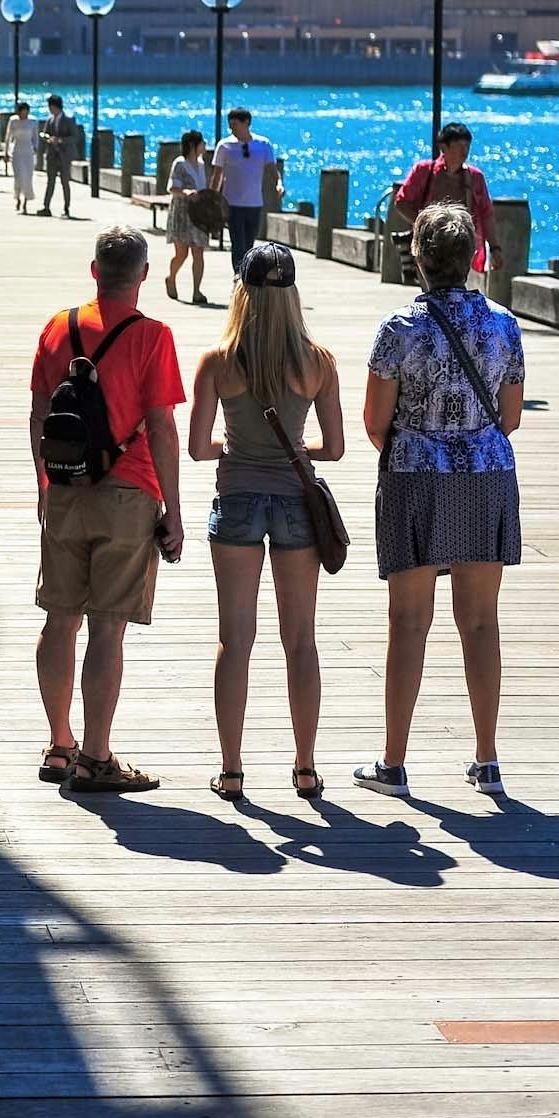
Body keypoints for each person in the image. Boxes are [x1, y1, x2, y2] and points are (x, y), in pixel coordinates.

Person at [356, 202, 525, 801]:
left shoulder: (397, 330)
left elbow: (376, 422)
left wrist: (420, 444)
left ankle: (395, 765)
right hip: (484, 473)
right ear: (475, 257)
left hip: (415, 475)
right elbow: (510, 417)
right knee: (480, 622)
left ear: (420, 259)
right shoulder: (505, 326)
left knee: (408, 622)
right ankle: (486, 760)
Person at [28, 226, 185, 795]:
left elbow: (40, 414)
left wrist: (45, 487)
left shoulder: (57, 328)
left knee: (60, 618)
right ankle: (97, 757)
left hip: (65, 491)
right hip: (128, 492)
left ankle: (59, 745)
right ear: (143, 275)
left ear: (94, 270)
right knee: (107, 628)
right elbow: (163, 427)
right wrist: (172, 508)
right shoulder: (152, 336)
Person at [188, 242, 344, 803]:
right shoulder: (318, 361)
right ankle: (304, 767)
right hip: (295, 504)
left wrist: (234, 443)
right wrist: (298, 449)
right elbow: (336, 448)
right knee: (300, 640)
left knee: (236, 641)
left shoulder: (219, 361)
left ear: (242, 294)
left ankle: (231, 770)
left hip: (236, 502)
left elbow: (198, 449)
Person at [393, 122, 502, 274]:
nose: (464, 151)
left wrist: (495, 248)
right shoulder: (424, 171)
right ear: (444, 147)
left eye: (467, 146)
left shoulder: (475, 177)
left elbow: (486, 215)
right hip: (429, 246)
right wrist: (425, 225)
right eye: (459, 146)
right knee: (432, 292)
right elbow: (401, 203)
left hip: (462, 250)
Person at [210, 106, 280, 273]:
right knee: (237, 244)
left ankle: (246, 276)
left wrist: (279, 183)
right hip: (232, 203)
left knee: (249, 244)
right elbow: (217, 175)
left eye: (235, 124)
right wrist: (212, 199)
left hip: (254, 203)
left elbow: (272, 168)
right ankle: (238, 277)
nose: (231, 128)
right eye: (230, 124)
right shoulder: (224, 146)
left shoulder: (263, 144)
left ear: (246, 122)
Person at [164, 130, 213, 305]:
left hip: (198, 214)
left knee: (198, 252)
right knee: (182, 254)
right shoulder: (180, 164)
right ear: (193, 145)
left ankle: (197, 291)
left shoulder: (201, 164)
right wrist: (186, 192)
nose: (205, 146)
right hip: (182, 214)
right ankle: (171, 278)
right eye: (202, 143)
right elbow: (171, 187)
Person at [38, 95, 80, 218]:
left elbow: (75, 137)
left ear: (55, 106)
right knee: (50, 181)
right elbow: (45, 134)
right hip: (52, 155)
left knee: (64, 182)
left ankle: (66, 208)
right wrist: (47, 138)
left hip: (64, 156)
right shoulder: (50, 120)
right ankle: (46, 207)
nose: (50, 109)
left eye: (50, 107)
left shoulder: (69, 119)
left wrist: (60, 140)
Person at [5, 99, 39, 214]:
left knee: (27, 177)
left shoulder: (33, 121)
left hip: (28, 152)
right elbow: (8, 137)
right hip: (17, 151)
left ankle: (25, 201)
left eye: (26, 112)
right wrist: (6, 151)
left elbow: (35, 138)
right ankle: (18, 198)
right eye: (22, 112)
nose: (24, 114)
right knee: (18, 176)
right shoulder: (13, 121)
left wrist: (36, 148)